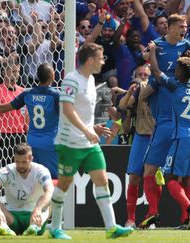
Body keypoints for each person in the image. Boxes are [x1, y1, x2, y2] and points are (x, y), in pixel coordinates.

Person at [49, 43, 134, 239]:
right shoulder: (71, 79)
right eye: (101, 58)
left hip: (89, 142)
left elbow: (82, 112)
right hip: (69, 142)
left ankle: (111, 228)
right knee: (64, 184)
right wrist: (87, 131)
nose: (103, 61)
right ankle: (54, 228)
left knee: (102, 180)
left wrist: (92, 129)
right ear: (89, 60)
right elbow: (67, 109)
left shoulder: (91, 80)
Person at [139, 13, 190, 229]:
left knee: (151, 170)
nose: (185, 29)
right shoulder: (157, 45)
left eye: (186, 25)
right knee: (181, 176)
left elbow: (158, 71)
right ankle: (187, 217)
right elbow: (146, 60)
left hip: (169, 120)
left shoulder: (186, 47)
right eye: (182, 26)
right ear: (170, 27)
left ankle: (156, 212)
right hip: (183, 125)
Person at [148, 41, 190, 230]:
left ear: (180, 73)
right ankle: (188, 222)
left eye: (176, 68)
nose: (174, 71)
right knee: (189, 181)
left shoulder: (175, 86)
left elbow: (156, 71)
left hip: (182, 138)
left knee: (172, 181)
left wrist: (153, 51)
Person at [0, 63, 60, 179]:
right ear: (53, 76)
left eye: (18, 72)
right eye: (13, 71)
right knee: (51, 178)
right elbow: (69, 116)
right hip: (8, 137)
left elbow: (7, 108)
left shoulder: (26, 93)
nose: (16, 75)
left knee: (28, 175)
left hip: (27, 139)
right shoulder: (56, 95)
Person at [0, 143, 54, 236]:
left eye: (24, 162)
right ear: (14, 159)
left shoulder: (41, 171)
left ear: (31, 159)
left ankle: (33, 228)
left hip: (34, 217)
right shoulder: (7, 171)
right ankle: (4, 228)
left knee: (50, 201)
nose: (20, 165)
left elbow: (50, 190)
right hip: (12, 218)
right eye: (17, 161)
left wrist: (38, 209)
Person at [118, 65, 155, 228]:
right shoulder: (138, 90)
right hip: (141, 136)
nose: (142, 77)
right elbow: (122, 106)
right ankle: (131, 219)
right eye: (140, 74)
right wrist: (129, 93)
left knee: (153, 180)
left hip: (157, 137)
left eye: (145, 74)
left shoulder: (158, 87)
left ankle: (151, 217)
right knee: (134, 177)